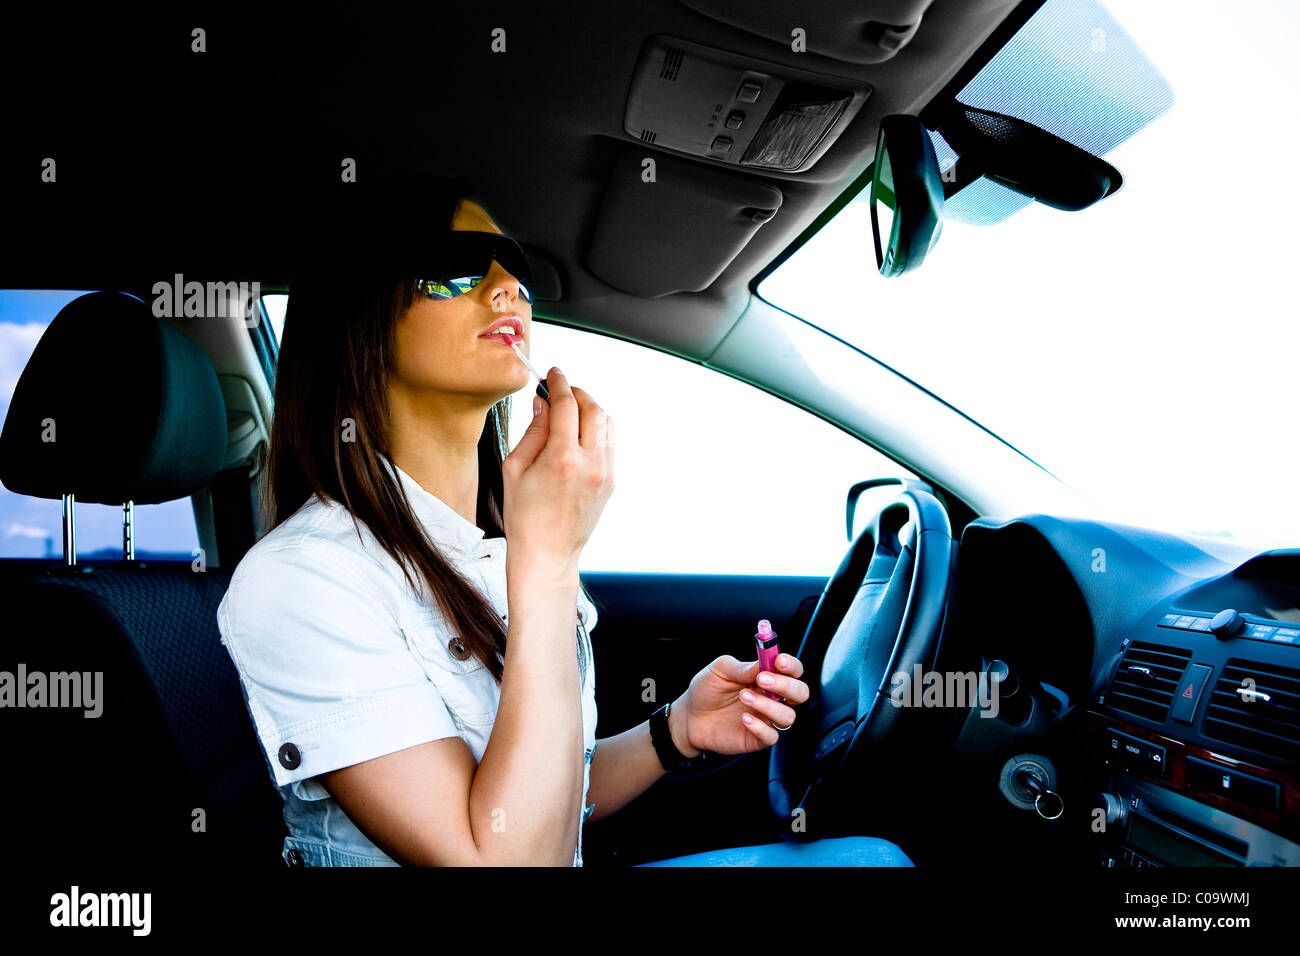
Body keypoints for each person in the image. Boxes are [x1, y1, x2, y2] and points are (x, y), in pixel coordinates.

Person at [217, 171, 899, 867]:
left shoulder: (489, 545)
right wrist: (544, 564)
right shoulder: (301, 580)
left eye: (513, 267)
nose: (504, 286)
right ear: (355, 312)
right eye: (457, 269)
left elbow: (537, 803)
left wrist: (676, 731)